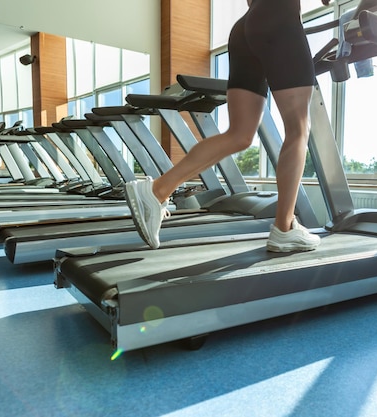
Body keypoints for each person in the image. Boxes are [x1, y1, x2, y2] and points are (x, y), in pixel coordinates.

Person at [124, 0, 332, 252]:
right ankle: (285, 228)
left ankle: (157, 190)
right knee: (298, 130)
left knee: (239, 134)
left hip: (245, 27)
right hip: (280, 18)